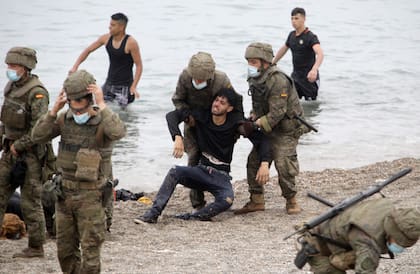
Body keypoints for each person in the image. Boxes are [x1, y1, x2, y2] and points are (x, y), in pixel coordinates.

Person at [31, 70, 126, 273]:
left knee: (90, 252)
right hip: (64, 195)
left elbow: (119, 132)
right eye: (72, 106)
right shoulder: (64, 119)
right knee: (64, 252)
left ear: (89, 98)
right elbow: (37, 136)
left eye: (81, 107)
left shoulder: (102, 121)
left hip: (91, 196)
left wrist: (102, 105)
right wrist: (52, 110)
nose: (77, 112)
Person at [135, 88, 270, 223]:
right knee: (174, 171)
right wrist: (177, 137)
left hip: (221, 176)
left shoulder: (236, 122)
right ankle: (152, 214)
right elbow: (172, 116)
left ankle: (192, 217)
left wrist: (264, 164)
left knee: (227, 200)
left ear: (229, 109)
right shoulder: (201, 115)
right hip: (201, 171)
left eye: (222, 103)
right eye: (216, 100)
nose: (216, 104)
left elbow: (262, 140)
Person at [234, 42, 309, 216]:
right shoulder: (256, 77)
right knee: (254, 161)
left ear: (265, 62)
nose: (250, 66)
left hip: (286, 129)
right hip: (268, 127)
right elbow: (259, 105)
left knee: (284, 164)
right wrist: (253, 117)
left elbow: (277, 113)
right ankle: (256, 201)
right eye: (249, 61)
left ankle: (291, 200)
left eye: (254, 62)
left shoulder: (278, 80)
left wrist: (255, 125)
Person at [171, 52, 243, 211]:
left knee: (219, 159)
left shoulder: (221, 80)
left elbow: (235, 104)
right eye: (195, 78)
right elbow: (178, 100)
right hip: (194, 123)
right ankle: (197, 202)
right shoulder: (185, 77)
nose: (197, 81)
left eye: (201, 80)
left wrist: (235, 129)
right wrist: (186, 115)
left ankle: (221, 191)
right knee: (194, 157)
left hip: (217, 126)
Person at [0, 47, 49, 258]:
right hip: (9, 151)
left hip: (30, 156)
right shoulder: (11, 87)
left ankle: (36, 246)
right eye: (8, 66)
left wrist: (19, 145)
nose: (10, 70)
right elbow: (6, 120)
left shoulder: (37, 92)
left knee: (30, 202)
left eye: (14, 66)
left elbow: (41, 129)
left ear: (26, 68)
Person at [303, 198, 420, 273]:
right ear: (392, 231)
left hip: (337, 236)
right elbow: (365, 271)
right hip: (317, 247)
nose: (400, 247)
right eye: (399, 242)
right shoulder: (368, 240)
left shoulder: (387, 211)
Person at [69, 12, 143, 107]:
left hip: (125, 86)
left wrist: (133, 86)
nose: (109, 27)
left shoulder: (131, 43)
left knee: (124, 115)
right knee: (100, 107)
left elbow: (139, 65)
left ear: (121, 27)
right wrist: (75, 67)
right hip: (109, 83)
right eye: (110, 24)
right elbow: (88, 50)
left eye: (113, 25)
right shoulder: (106, 38)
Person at [272, 7, 324, 101]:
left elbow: (320, 54)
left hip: (309, 78)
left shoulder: (310, 37)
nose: (293, 21)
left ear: (304, 19)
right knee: (287, 99)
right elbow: (284, 48)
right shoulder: (291, 35)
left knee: (310, 105)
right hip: (296, 77)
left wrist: (314, 70)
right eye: (292, 18)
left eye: (296, 18)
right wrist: (273, 62)